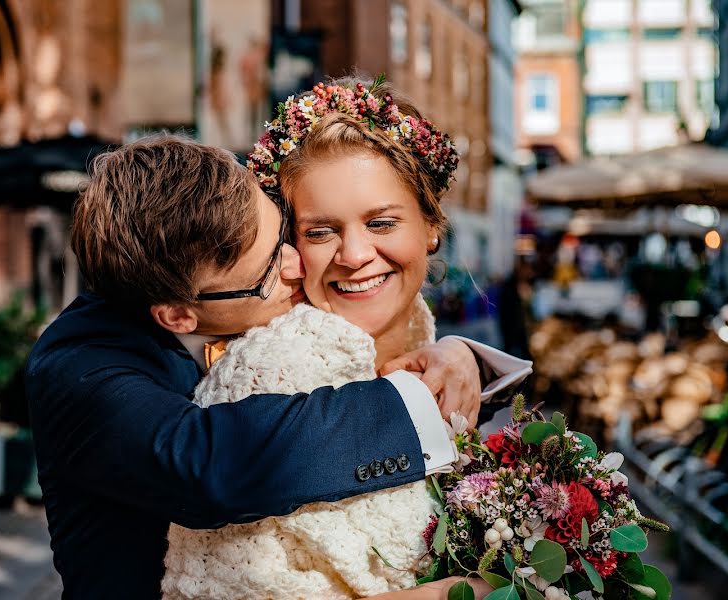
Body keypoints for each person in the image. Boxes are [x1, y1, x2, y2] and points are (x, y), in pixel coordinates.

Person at [26, 136, 530, 598]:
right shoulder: (79, 371)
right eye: (270, 268)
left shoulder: (259, 304)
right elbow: (211, 462)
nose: (295, 264)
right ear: (178, 315)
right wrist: (420, 401)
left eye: (283, 237)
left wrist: (462, 358)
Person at [161, 78, 523, 598]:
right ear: (290, 242)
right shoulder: (270, 372)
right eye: (321, 231)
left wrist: (461, 353)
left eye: (380, 222)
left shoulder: (422, 331)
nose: (354, 255)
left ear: (430, 226)